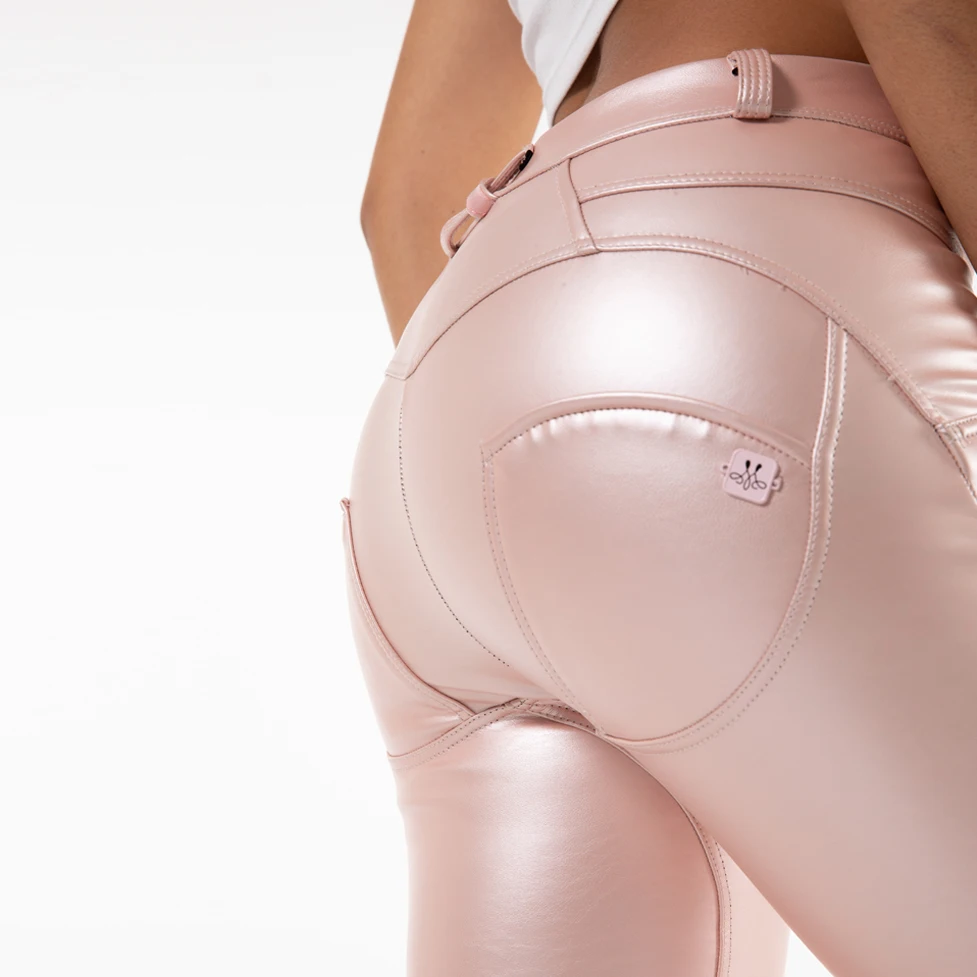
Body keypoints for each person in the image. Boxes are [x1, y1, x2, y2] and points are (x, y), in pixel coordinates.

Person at [344, 2, 977, 975]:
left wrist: (581, 477)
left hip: (456, 387)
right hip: (747, 307)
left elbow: (403, 196)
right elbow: (933, 26)